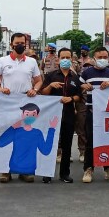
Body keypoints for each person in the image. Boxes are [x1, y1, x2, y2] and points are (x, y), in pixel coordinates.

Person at [0, 33, 43, 183]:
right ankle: (5, 171)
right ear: (12, 44)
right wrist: (0, 89)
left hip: (25, 105)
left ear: (25, 45)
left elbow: (38, 81)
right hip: (7, 104)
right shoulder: (2, 61)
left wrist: (35, 89)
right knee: (7, 136)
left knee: (23, 138)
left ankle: (23, 171)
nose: (20, 45)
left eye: (22, 43)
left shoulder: (32, 62)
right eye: (17, 42)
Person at [80, 47, 109, 184]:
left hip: (108, 114)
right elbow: (78, 86)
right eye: (100, 57)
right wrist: (83, 86)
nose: (103, 59)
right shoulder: (86, 73)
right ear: (94, 58)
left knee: (108, 141)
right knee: (90, 142)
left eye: (105, 57)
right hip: (92, 111)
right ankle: (88, 169)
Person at [41, 48, 81, 184]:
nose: (65, 60)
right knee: (51, 144)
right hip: (52, 116)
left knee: (67, 145)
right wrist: (51, 86)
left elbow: (79, 96)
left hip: (69, 115)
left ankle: (65, 173)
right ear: (58, 59)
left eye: (68, 57)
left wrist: (71, 99)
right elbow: (43, 93)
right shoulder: (51, 75)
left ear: (72, 59)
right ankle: (47, 173)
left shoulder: (75, 77)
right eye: (63, 57)